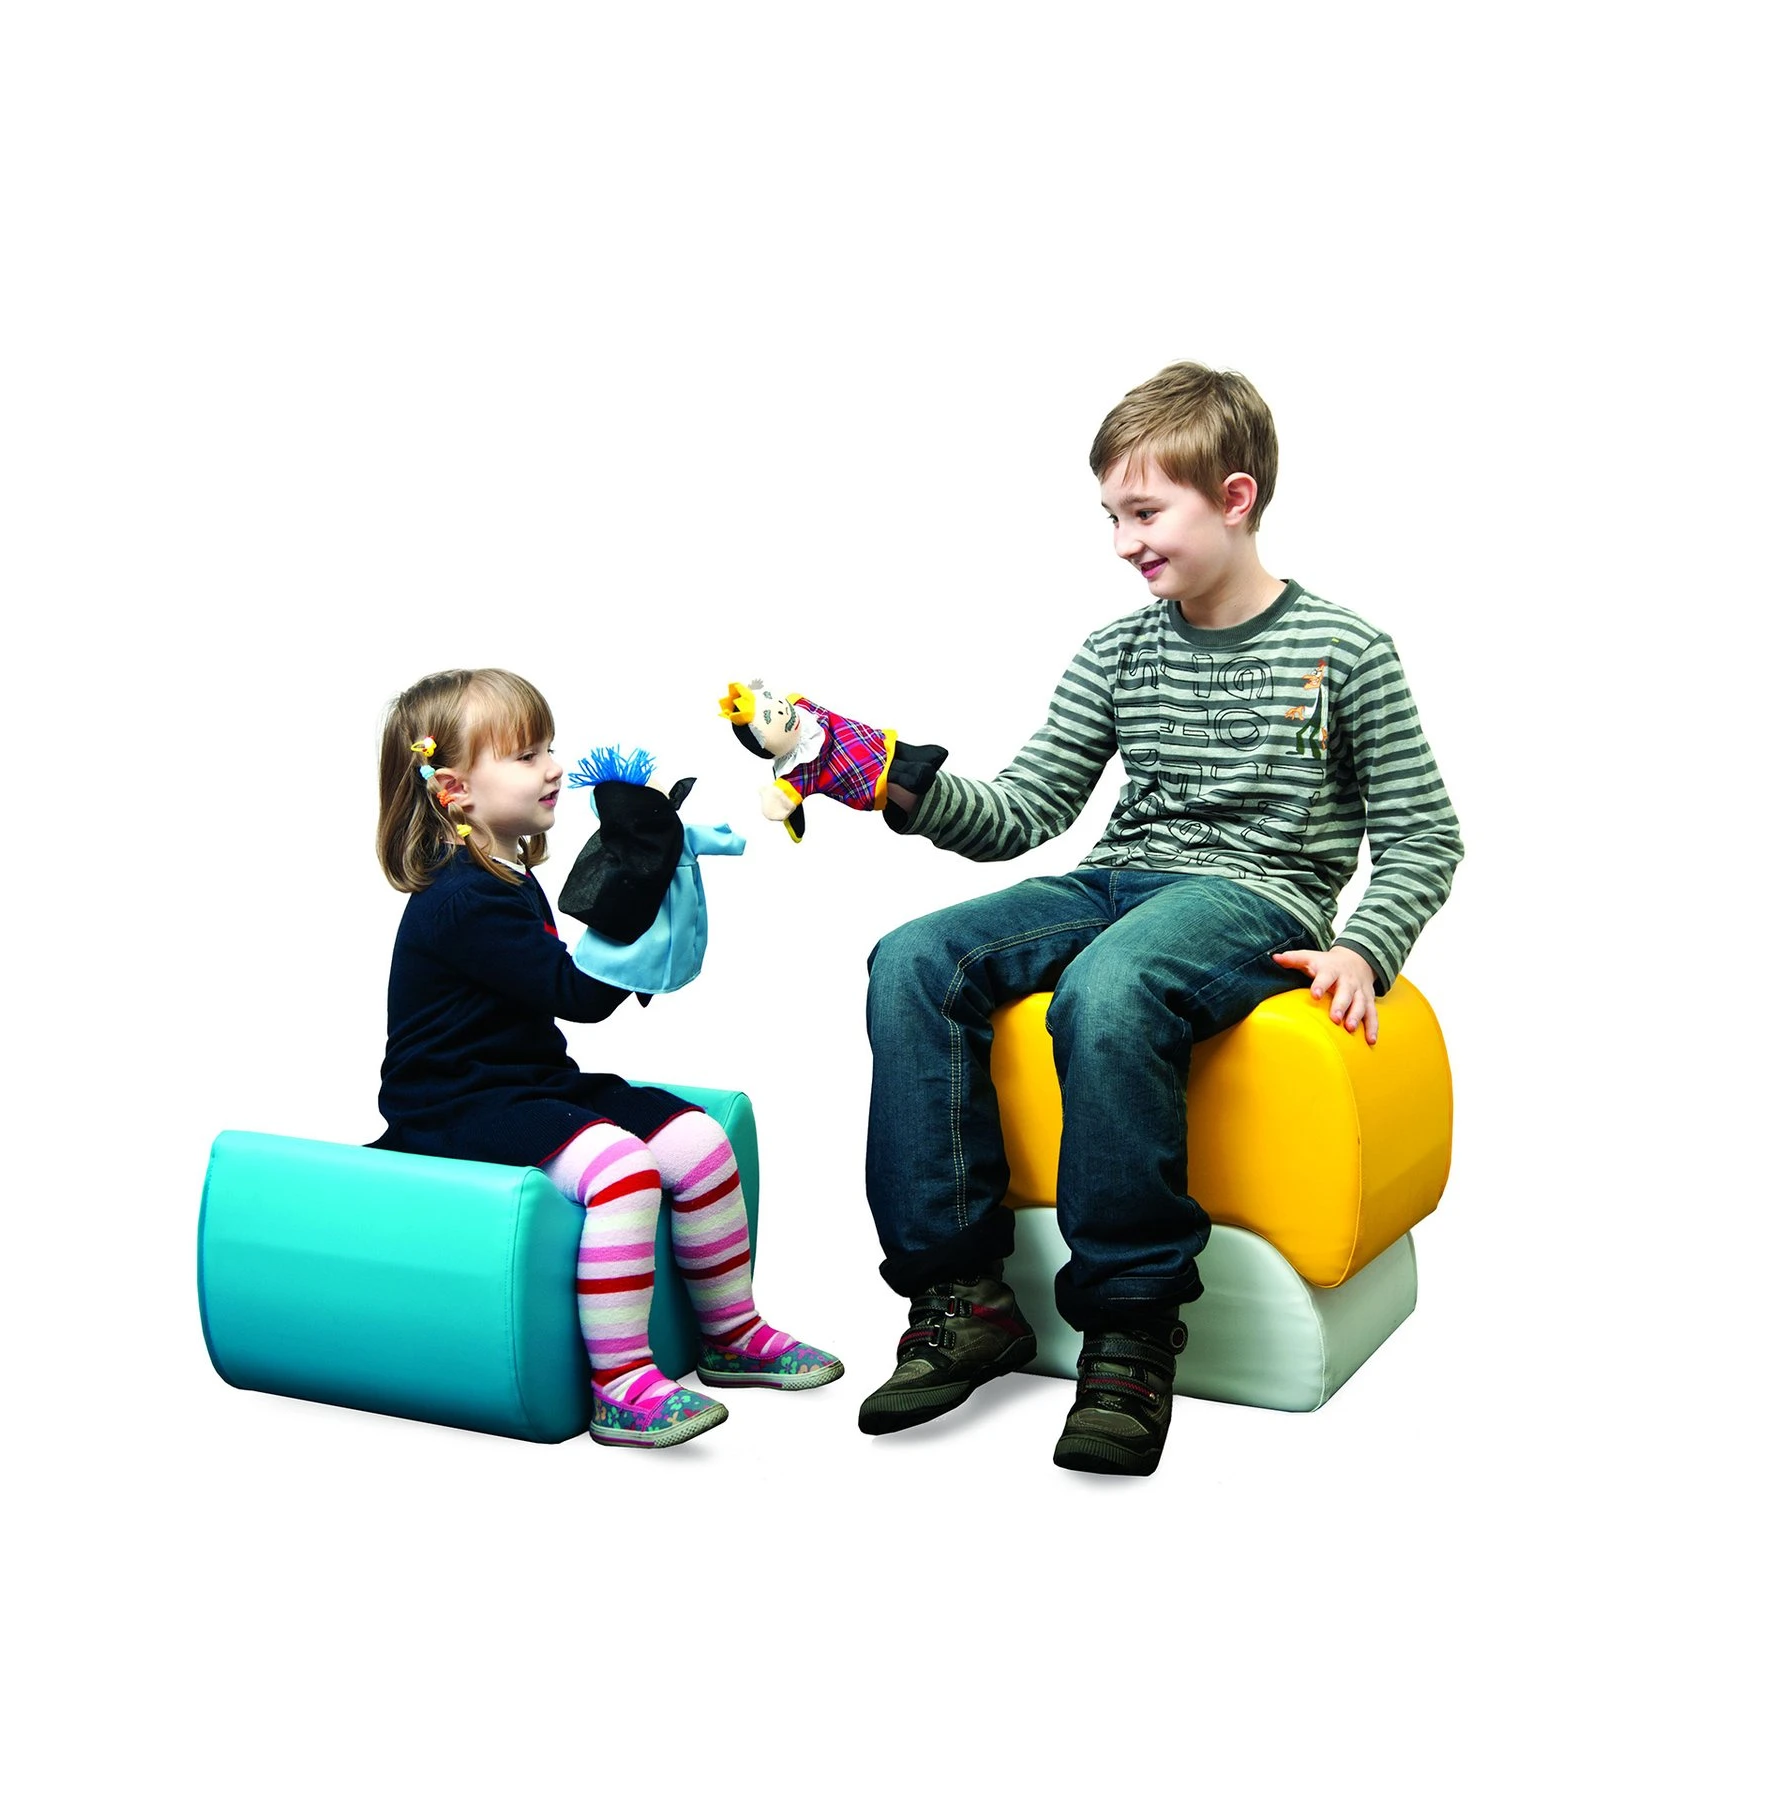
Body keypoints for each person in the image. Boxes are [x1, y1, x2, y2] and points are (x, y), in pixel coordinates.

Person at [857, 363, 1463, 1476]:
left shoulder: (1346, 651)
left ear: (1234, 498)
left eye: (1144, 513)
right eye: (1110, 517)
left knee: (1113, 986)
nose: (1123, 542)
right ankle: (961, 1297)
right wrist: (898, 782)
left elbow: (1425, 834)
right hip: (1117, 875)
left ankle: (1132, 1330)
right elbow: (1024, 809)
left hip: (1257, 892)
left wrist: (1364, 946)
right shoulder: (1118, 650)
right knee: (912, 960)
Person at [373, 667, 842, 1450]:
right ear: (454, 790)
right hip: (452, 1104)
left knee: (698, 1142)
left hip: (527, 1083)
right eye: (526, 756)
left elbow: (567, 993)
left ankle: (731, 1333)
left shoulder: (507, 876)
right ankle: (620, 1385)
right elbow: (578, 995)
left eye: (549, 748)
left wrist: (649, 884)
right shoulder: (459, 898)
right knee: (623, 1170)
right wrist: (638, 886)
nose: (554, 768)